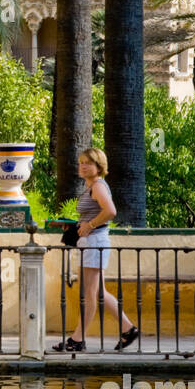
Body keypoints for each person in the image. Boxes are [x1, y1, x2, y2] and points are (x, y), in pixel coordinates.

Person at [53, 148, 139, 352]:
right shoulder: (91, 186)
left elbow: (111, 211)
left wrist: (90, 226)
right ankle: (128, 329)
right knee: (98, 291)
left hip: (94, 242)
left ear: (99, 166)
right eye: (81, 162)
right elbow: (93, 215)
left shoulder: (98, 186)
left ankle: (77, 340)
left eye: (88, 163)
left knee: (89, 294)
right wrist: (73, 225)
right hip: (91, 241)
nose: (82, 166)